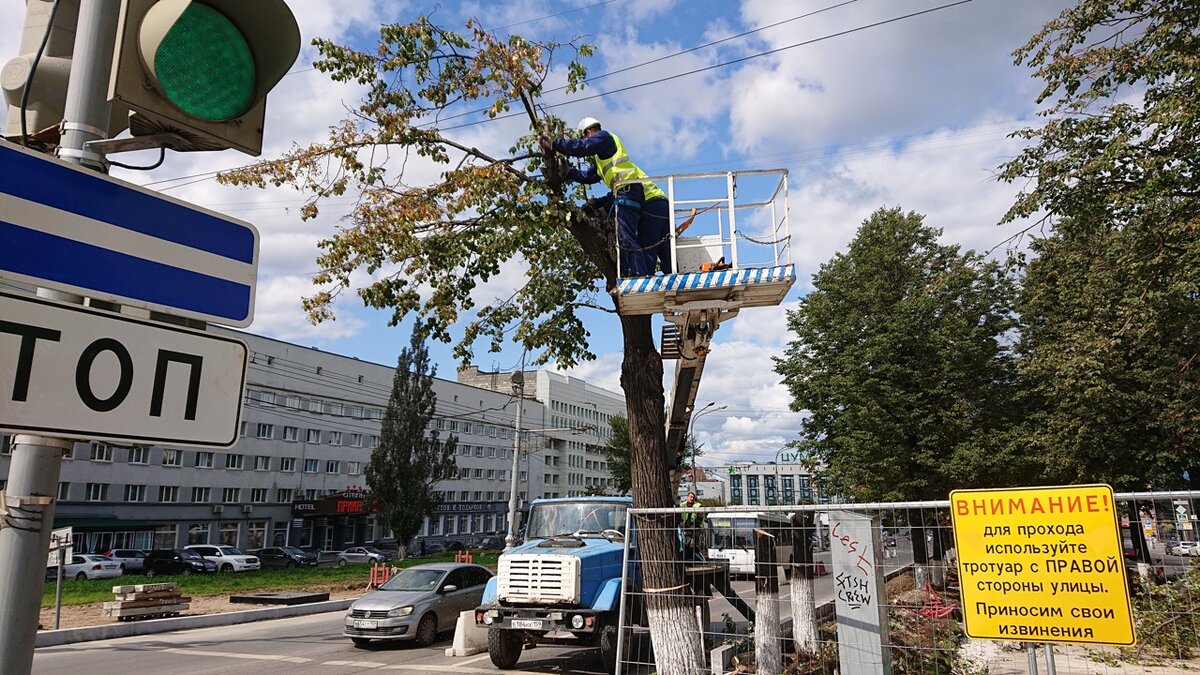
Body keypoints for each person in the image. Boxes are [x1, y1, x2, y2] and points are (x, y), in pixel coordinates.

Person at [541, 117, 672, 277]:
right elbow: (589, 176)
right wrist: (569, 172)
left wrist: (555, 144)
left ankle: (640, 277)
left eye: (584, 137)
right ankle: (671, 275)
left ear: (588, 132)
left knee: (637, 241)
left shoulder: (604, 137)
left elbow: (583, 147)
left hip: (644, 197)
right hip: (650, 198)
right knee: (665, 247)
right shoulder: (605, 158)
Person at [680, 491, 705, 560]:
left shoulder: (698, 505)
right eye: (690, 497)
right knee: (686, 543)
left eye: (693, 497)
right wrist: (682, 524)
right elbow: (679, 516)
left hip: (695, 528)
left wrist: (694, 524)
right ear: (687, 497)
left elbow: (700, 517)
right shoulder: (682, 505)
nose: (692, 498)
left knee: (692, 544)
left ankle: (690, 558)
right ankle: (687, 558)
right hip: (685, 528)